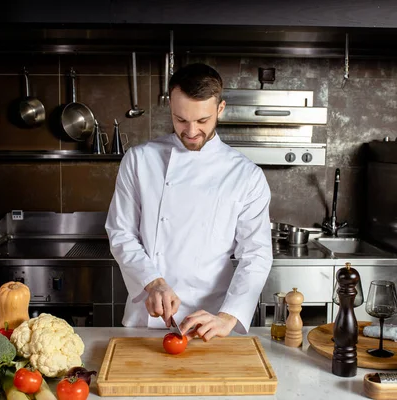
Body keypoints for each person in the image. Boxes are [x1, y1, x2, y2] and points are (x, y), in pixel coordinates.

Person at [105, 63, 272, 341]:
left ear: (220, 109)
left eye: (202, 121)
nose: (191, 131)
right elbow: (120, 233)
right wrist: (152, 282)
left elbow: (256, 254)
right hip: (147, 318)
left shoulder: (246, 175)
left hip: (210, 323)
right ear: (171, 107)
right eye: (181, 120)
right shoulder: (139, 160)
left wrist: (228, 317)